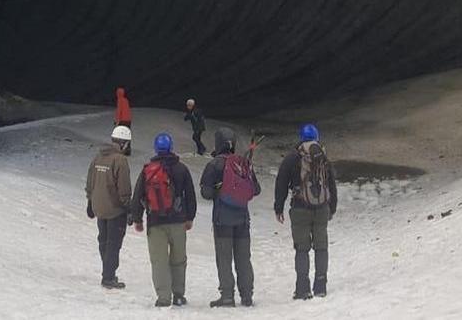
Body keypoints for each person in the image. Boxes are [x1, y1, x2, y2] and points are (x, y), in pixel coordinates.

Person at [129, 132, 198, 307]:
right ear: (171, 147)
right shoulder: (181, 169)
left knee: (159, 261)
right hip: (177, 221)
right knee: (178, 259)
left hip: (155, 222)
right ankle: (179, 295)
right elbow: (190, 195)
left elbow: (137, 195)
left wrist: (138, 219)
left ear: (156, 148)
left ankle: (163, 298)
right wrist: (189, 217)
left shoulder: (148, 170)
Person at [273, 123, 338, 300]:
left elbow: (281, 184)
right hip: (322, 208)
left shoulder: (292, 158)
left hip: (300, 208)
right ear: (317, 137)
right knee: (321, 247)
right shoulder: (323, 157)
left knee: (302, 249)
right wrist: (331, 207)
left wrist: (278, 207)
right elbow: (331, 183)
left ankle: (302, 288)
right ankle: (321, 285)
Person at [199, 127, 261, 308]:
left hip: (222, 219)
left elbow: (206, 193)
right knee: (243, 257)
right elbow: (255, 189)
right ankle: (247, 295)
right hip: (242, 218)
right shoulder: (242, 163)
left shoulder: (214, 164)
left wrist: (220, 189)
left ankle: (227, 296)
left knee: (224, 258)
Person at [85, 125, 133, 289]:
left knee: (103, 241)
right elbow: (124, 188)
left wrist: (90, 202)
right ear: (124, 143)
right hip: (115, 209)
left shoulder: (98, 157)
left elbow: (90, 181)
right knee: (114, 243)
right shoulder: (120, 160)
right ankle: (108, 277)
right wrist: (129, 208)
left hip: (99, 207)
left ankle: (107, 271)